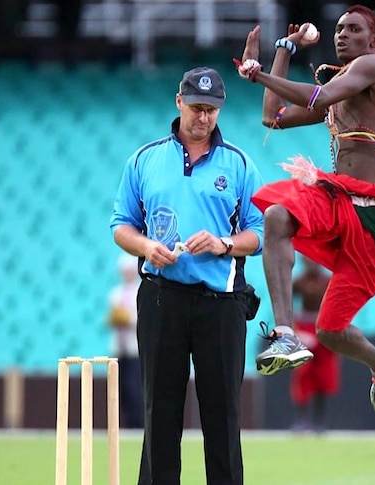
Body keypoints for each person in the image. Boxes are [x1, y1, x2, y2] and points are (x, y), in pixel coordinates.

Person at [236, 3, 375, 416]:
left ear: (374, 41)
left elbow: (318, 94)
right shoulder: (344, 87)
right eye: (339, 29)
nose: (342, 35)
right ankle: (285, 333)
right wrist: (283, 48)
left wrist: (259, 73)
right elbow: (273, 117)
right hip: (339, 199)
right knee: (277, 214)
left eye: (353, 29)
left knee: (329, 331)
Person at [110, 66, 265, 485]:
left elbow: (259, 232)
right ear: (179, 102)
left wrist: (223, 244)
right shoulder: (144, 159)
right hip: (162, 298)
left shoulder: (239, 163)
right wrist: (146, 247)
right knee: (160, 413)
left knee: (222, 418)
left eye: (212, 110)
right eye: (197, 108)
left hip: (222, 302)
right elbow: (121, 224)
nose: (204, 117)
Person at [289, 256, 339, 433]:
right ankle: (301, 420)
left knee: (324, 376)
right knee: (303, 375)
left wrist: (334, 331)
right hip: (305, 328)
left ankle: (320, 422)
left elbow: (338, 306)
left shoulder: (328, 282)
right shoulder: (299, 282)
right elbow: (288, 306)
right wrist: (296, 331)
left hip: (324, 327)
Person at [106, 254, 145, 429]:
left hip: (135, 348)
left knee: (135, 387)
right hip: (120, 348)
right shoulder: (116, 293)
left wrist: (127, 319)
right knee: (122, 388)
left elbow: (143, 319)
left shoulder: (140, 291)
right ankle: (127, 422)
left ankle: (139, 424)